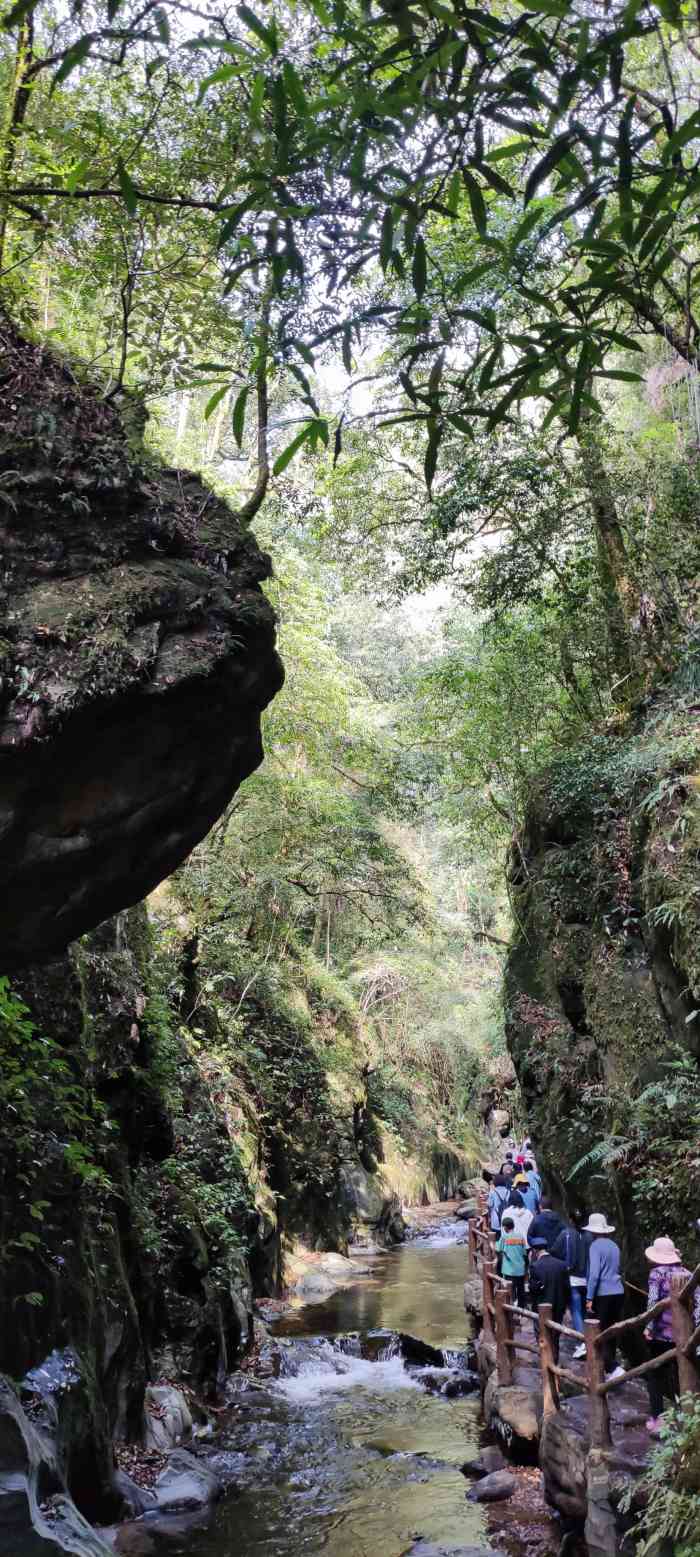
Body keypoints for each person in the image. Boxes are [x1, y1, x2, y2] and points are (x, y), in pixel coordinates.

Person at [643, 1235, 700, 1435]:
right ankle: (689, 1421)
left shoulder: (656, 1274)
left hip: (660, 1335)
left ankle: (658, 1421)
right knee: (684, 1375)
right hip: (684, 1336)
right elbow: (699, 1304)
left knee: (655, 1377)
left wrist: (648, 1327)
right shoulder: (688, 1273)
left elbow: (652, 1304)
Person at [585, 1212, 625, 1379]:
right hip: (618, 1291)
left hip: (603, 1293)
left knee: (599, 1331)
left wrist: (589, 1297)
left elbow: (594, 1274)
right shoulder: (614, 1245)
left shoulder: (595, 1246)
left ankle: (611, 1367)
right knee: (612, 1329)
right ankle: (612, 1364)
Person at [551, 1210, 592, 1356]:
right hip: (588, 1278)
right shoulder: (589, 1236)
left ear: (570, 1219)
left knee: (576, 1311)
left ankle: (583, 1341)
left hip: (572, 1278)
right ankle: (588, 1339)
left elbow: (555, 1250)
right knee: (585, 1311)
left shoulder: (566, 1233)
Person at [529, 1239, 570, 1359]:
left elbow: (533, 1289)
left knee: (542, 1334)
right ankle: (555, 1359)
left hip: (541, 1306)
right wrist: (566, 1305)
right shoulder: (561, 1265)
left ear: (535, 1250)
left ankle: (546, 1360)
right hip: (559, 1305)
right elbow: (567, 1287)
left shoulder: (535, 1266)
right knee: (555, 1335)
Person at [496, 1214, 528, 1308]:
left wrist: (491, 1244)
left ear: (505, 1227)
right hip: (520, 1269)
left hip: (509, 1270)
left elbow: (498, 1249)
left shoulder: (504, 1237)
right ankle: (522, 1310)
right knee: (521, 1290)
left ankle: (511, 1310)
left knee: (510, 1291)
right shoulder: (521, 1237)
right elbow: (524, 1253)